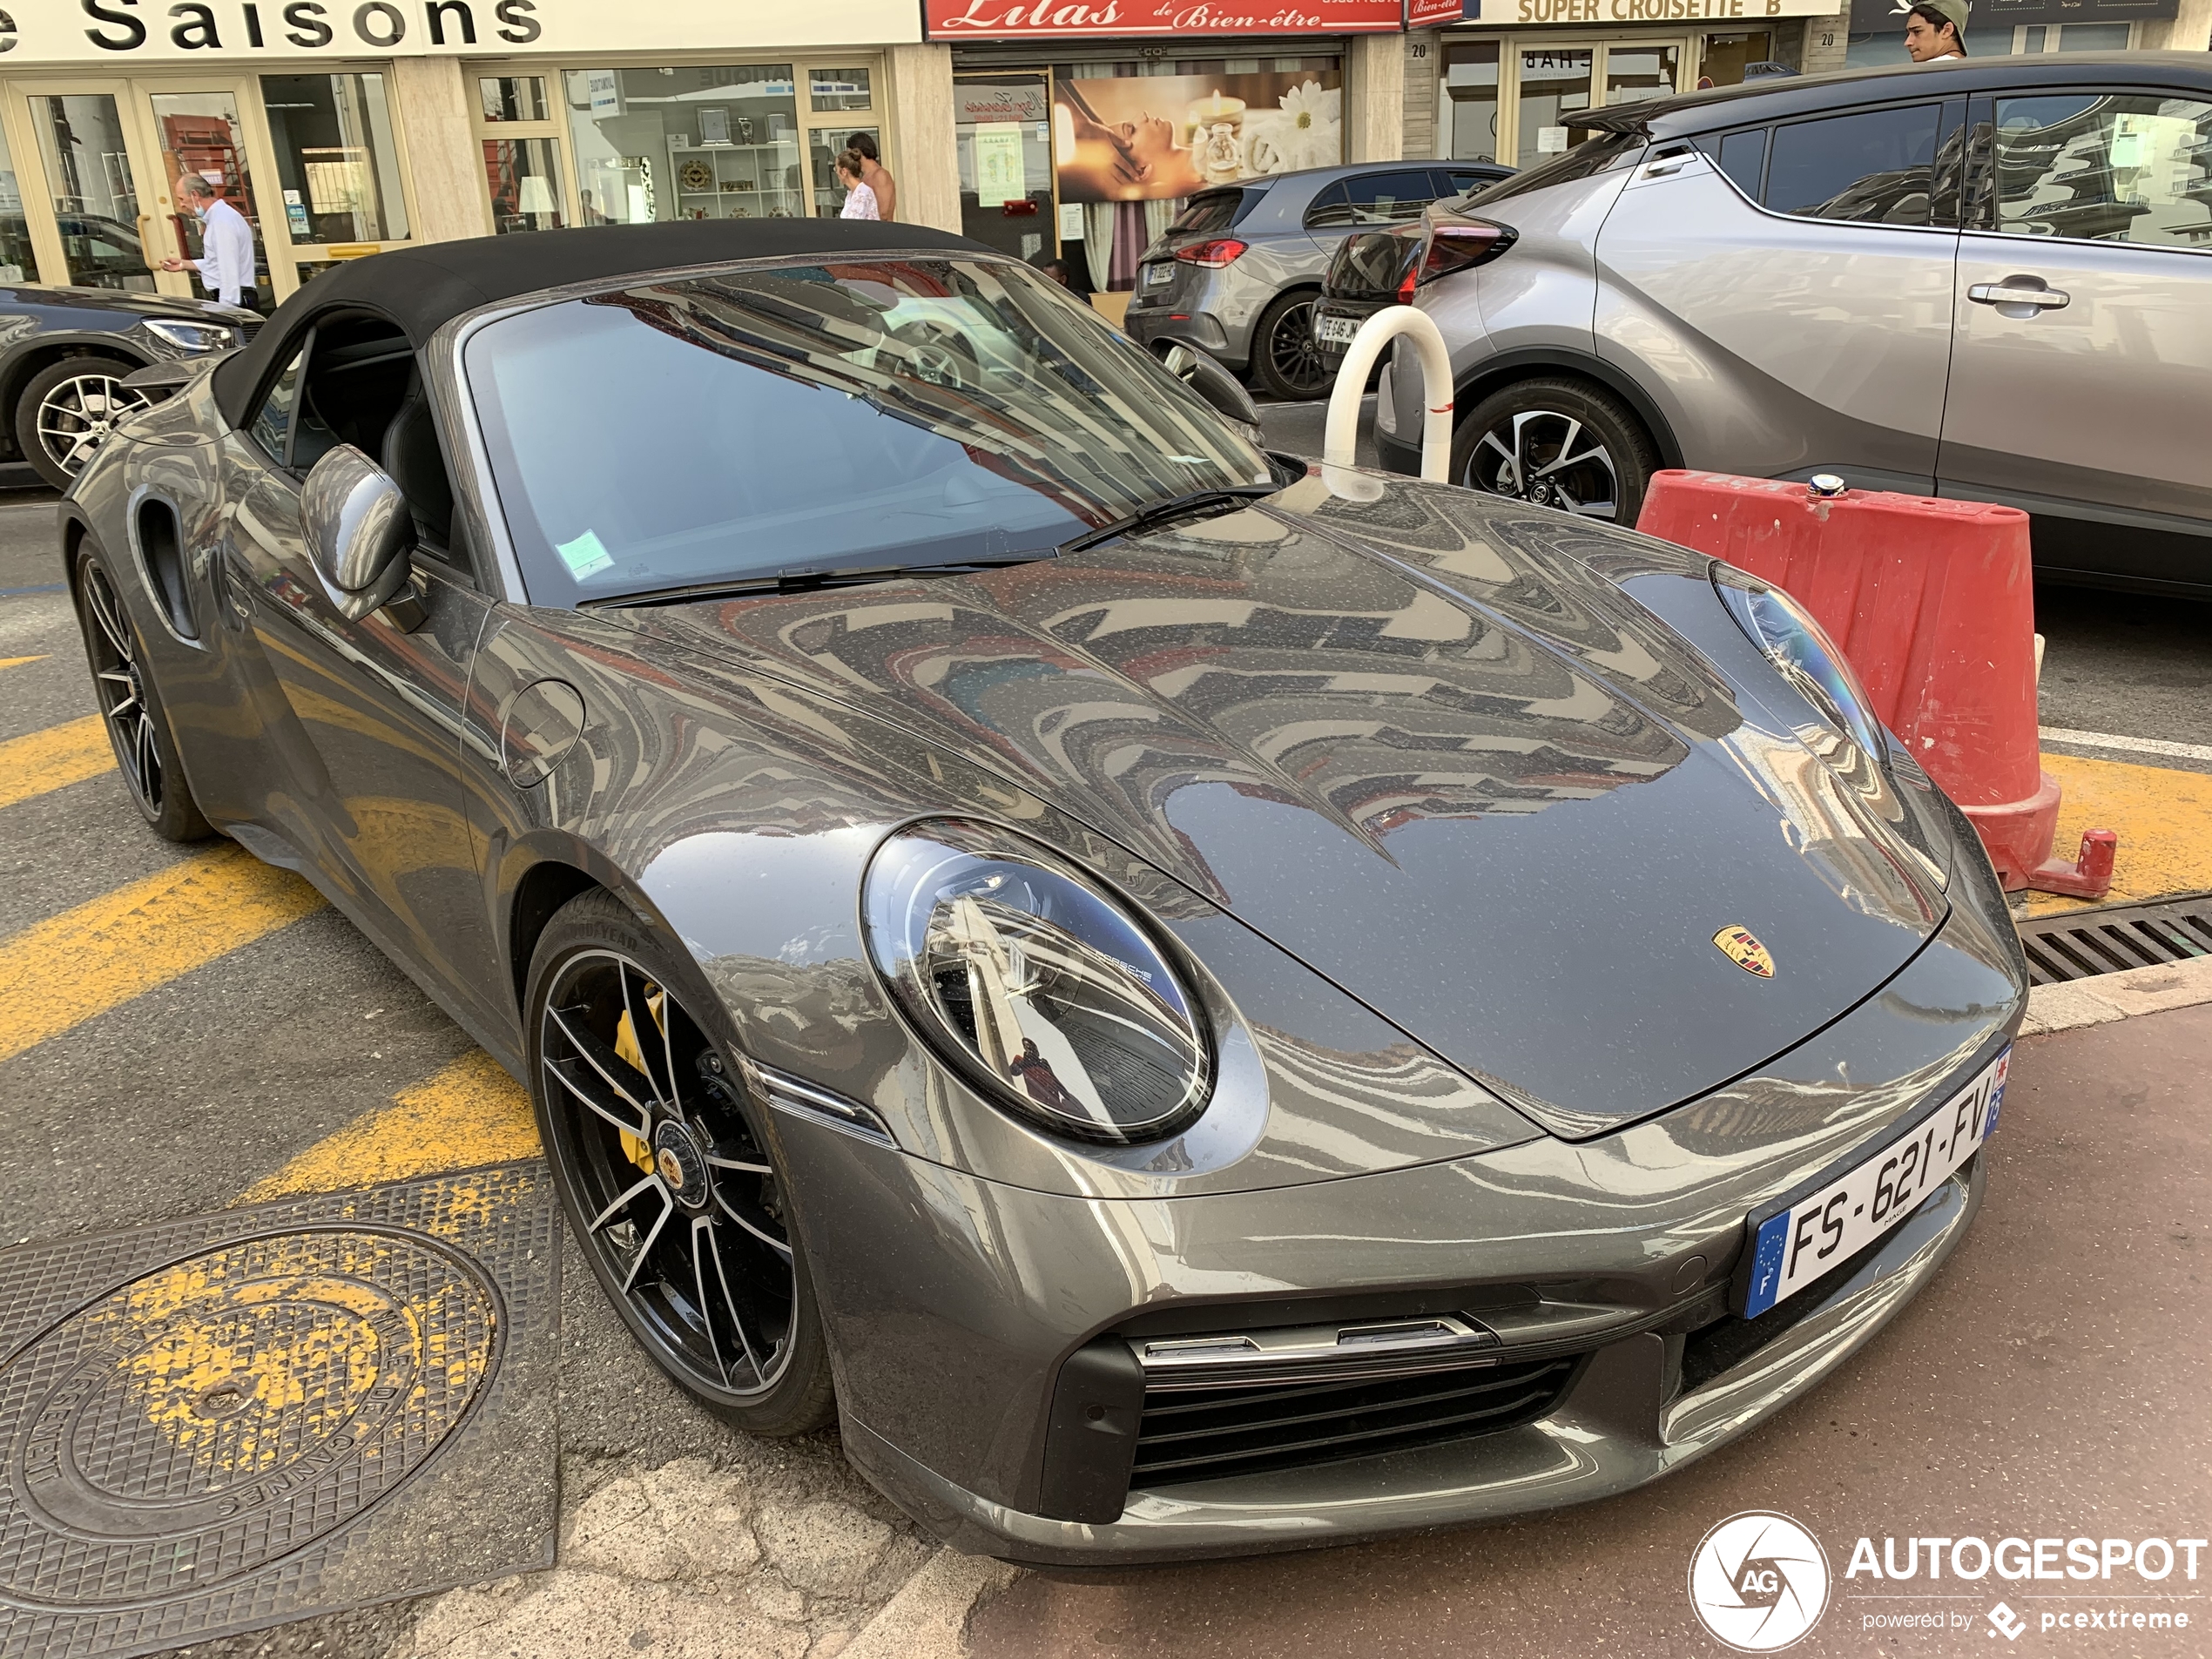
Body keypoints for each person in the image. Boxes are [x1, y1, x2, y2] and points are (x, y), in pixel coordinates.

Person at [159, 174, 258, 309]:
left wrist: (225, 310)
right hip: (237, 298)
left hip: (234, 301)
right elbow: (218, 262)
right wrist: (184, 264)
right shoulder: (223, 217)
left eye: (182, 199)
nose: (181, 205)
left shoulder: (221, 222)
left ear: (195, 194)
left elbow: (228, 269)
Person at [847, 132, 895, 222]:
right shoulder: (863, 177)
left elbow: (884, 213)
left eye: (850, 154)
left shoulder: (880, 175)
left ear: (858, 152)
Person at [1904, 0, 1968, 61]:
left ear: (1946, 31)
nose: (1907, 43)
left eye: (1917, 32)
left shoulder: (1924, 72)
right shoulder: (1972, 69)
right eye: (1908, 34)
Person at [836, 151, 880, 220]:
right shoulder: (851, 194)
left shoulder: (862, 193)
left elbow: (854, 224)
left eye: (836, 169)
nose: (836, 173)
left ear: (844, 172)